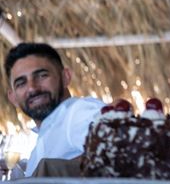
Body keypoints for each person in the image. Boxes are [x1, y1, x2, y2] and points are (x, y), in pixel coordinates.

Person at [4, 42, 105, 176]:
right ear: (13, 98)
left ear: (65, 77)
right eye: (21, 83)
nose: (32, 88)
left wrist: (51, 172)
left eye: (42, 75)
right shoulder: (42, 140)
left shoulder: (78, 112)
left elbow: (121, 151)